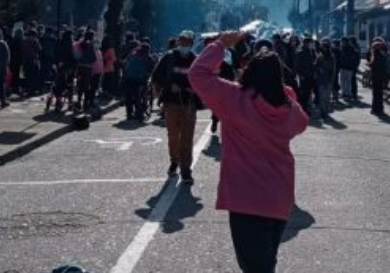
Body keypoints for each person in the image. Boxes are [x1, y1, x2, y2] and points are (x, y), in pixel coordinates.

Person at [188, 31, 309, 273]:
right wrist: (284, 91)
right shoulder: (289, 109)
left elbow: (198, 74)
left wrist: (221, 44)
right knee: (266, 265)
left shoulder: (235, 99)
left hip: (245, 200)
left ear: (250, 71)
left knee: (255, 268)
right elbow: (302, 122)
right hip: (278, 199)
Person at [151, 31, 200, 184]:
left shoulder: (196, 60)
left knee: (187, 137)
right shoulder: (169, 57)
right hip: (171, 103)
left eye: (187, 42)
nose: (184, 45)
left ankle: (186, 169)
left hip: (189, 104)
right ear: (178, 42)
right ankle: (174, 160)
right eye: (182, 42)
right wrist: (167, 87)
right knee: (173, 135)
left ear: (192, 44)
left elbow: (204, 80)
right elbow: (156, 77)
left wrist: (195, 89)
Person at [122, 43, 156, 121]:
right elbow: (152, 68)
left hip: (128, 78)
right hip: (140, 79)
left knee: (129, 96)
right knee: (140, 94)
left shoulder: (132, 54)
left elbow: (125, 63)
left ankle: (129, 113)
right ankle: (139, 113)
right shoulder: (148, 57)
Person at [74, 30, 100, 113]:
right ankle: (85, 104)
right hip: (88, 68)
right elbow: (93, 58)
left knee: (79, 85)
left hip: (80, 67)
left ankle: (78, 102)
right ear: (91, 37)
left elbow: (76, 55)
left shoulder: (80, 44)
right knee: (87, 86)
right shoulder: (90, 45)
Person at [293, 37, 317, 113]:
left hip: (311, 74)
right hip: (304, 76)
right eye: (310, 43)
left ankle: (307, 107)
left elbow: (313, 63)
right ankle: (303, 109)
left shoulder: (311, 51)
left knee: (309, 92)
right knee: (304, 93)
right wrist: (300, 75)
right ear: (306, 43)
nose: (311, 45)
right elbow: (297, 65)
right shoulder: (301, 52)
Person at [316, 39, 337, 118]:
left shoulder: (332, 56)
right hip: (321, 80)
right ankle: (323, 112)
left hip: (328, 79)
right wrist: (318, 70)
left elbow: (333, 69)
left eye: (325, 47)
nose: (323, 48)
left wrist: (331, 79)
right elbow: (316, 66)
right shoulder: (319, 56)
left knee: (327, 97)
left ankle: (326, 112)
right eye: (323, 47)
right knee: (322, 97)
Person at [369, 39, 390, 116]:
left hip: (377, 77)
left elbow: (374, 65)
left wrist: (370, 64)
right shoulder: (382, 55)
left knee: (376, 94)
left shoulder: (377, 55)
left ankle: (376, 109)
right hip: (380, 77)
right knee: (379, 93)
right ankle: (378, 108)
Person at [22, 28, 43, 96]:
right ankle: (32, 90)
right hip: (33, 60)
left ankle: (27, 90)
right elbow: (39, 49)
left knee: (27, 76)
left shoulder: (24, 40)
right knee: (34, 76)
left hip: (25, 60)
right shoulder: (35, 41)